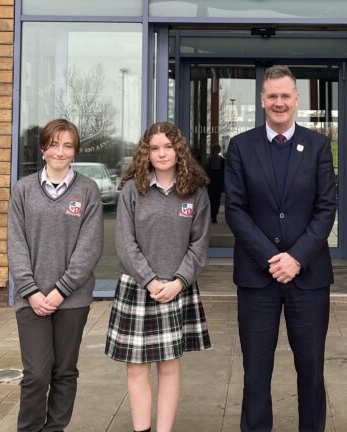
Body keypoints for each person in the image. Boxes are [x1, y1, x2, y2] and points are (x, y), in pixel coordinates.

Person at [224, 65, 337, 432]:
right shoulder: (241, 146)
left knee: (311, 371)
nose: (279, 102)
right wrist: (273, 260)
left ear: (296, 99)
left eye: (285, 95)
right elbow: (236, 210)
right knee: (255, 372)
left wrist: (297, 258)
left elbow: (326, 207)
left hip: (309, 278)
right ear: (261, 100)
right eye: (272, 96)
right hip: (258, 278)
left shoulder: (319, 145)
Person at [105, 121, 212, 432]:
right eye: (154, 148)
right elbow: (125, 243)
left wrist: (179, 281)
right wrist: (150, 281)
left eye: (168, 147)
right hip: (139, 288)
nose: (162, 153)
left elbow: (199, 243)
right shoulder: (131, 190)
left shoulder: (196, 191)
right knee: (137, 368)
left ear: (179, 151)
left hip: (178, 287)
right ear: (145, 153)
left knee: (169, 365)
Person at [8, 118, 104, 432]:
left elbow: (90, 247)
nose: (59, 151)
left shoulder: (88, 190)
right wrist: (31, 291)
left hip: (72, 299)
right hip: (30, 299)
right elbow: (16, 243)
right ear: (43, 149)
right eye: (53, 144)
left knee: (64, 371)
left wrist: (61, 290)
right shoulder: (23, 190)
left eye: (67, 145)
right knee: (36, 373)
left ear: (75, 151)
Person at [206, 143, 225, 223]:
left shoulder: (209, 160)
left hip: (211, 182)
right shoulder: (222, 161)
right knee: (216, 199)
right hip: (219, 182)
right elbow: (224, 172)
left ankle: (211, 215)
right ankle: (214, 216)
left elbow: (206, 171)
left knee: (210, 199)